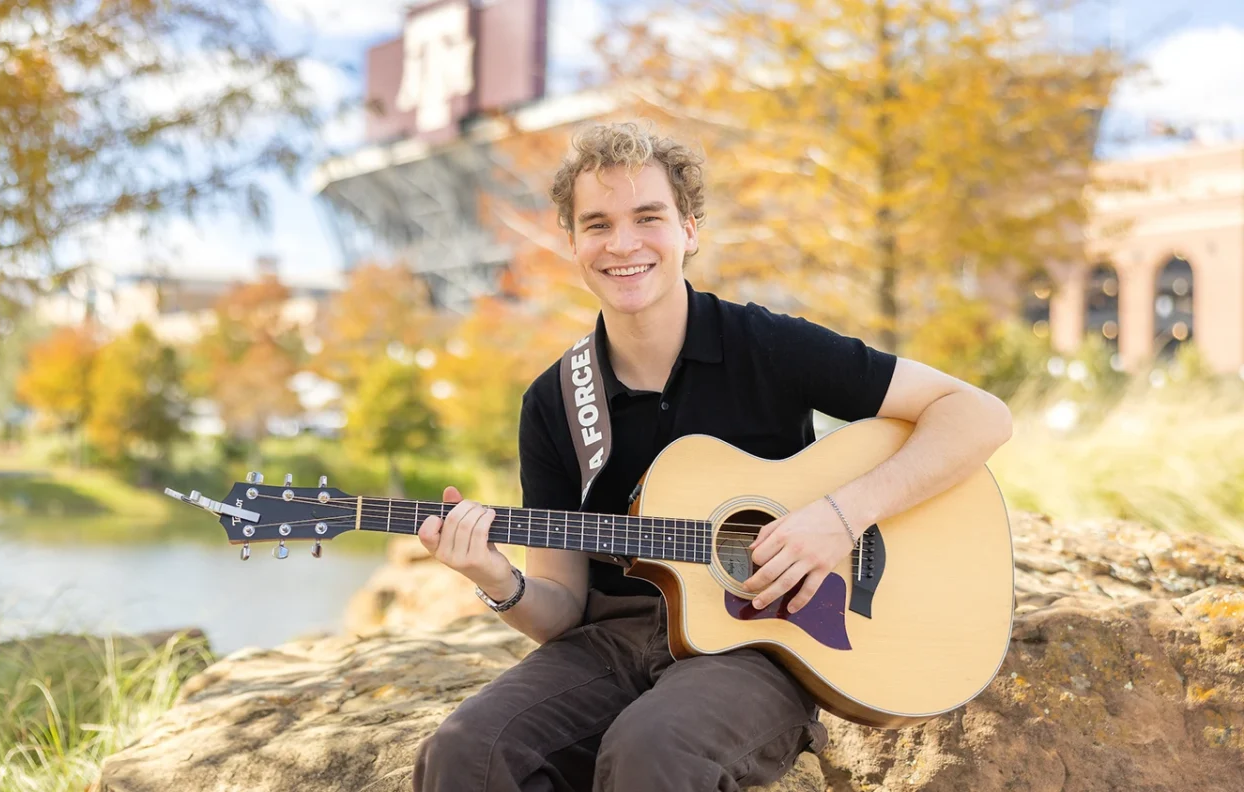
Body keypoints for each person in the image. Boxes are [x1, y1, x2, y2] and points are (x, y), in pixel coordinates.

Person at [411, 121, 1014, 792]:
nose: (623, 244)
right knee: (465, 753)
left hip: (757, 646)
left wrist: (841, 517)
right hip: (607, 643)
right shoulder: (555, 402)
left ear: (689, 229)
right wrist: (499, 581)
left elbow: (979, 415)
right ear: (573, 243)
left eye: (648, 217)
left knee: (651, 754)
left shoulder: (764, 344)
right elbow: (560, 610)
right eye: (598, 224)